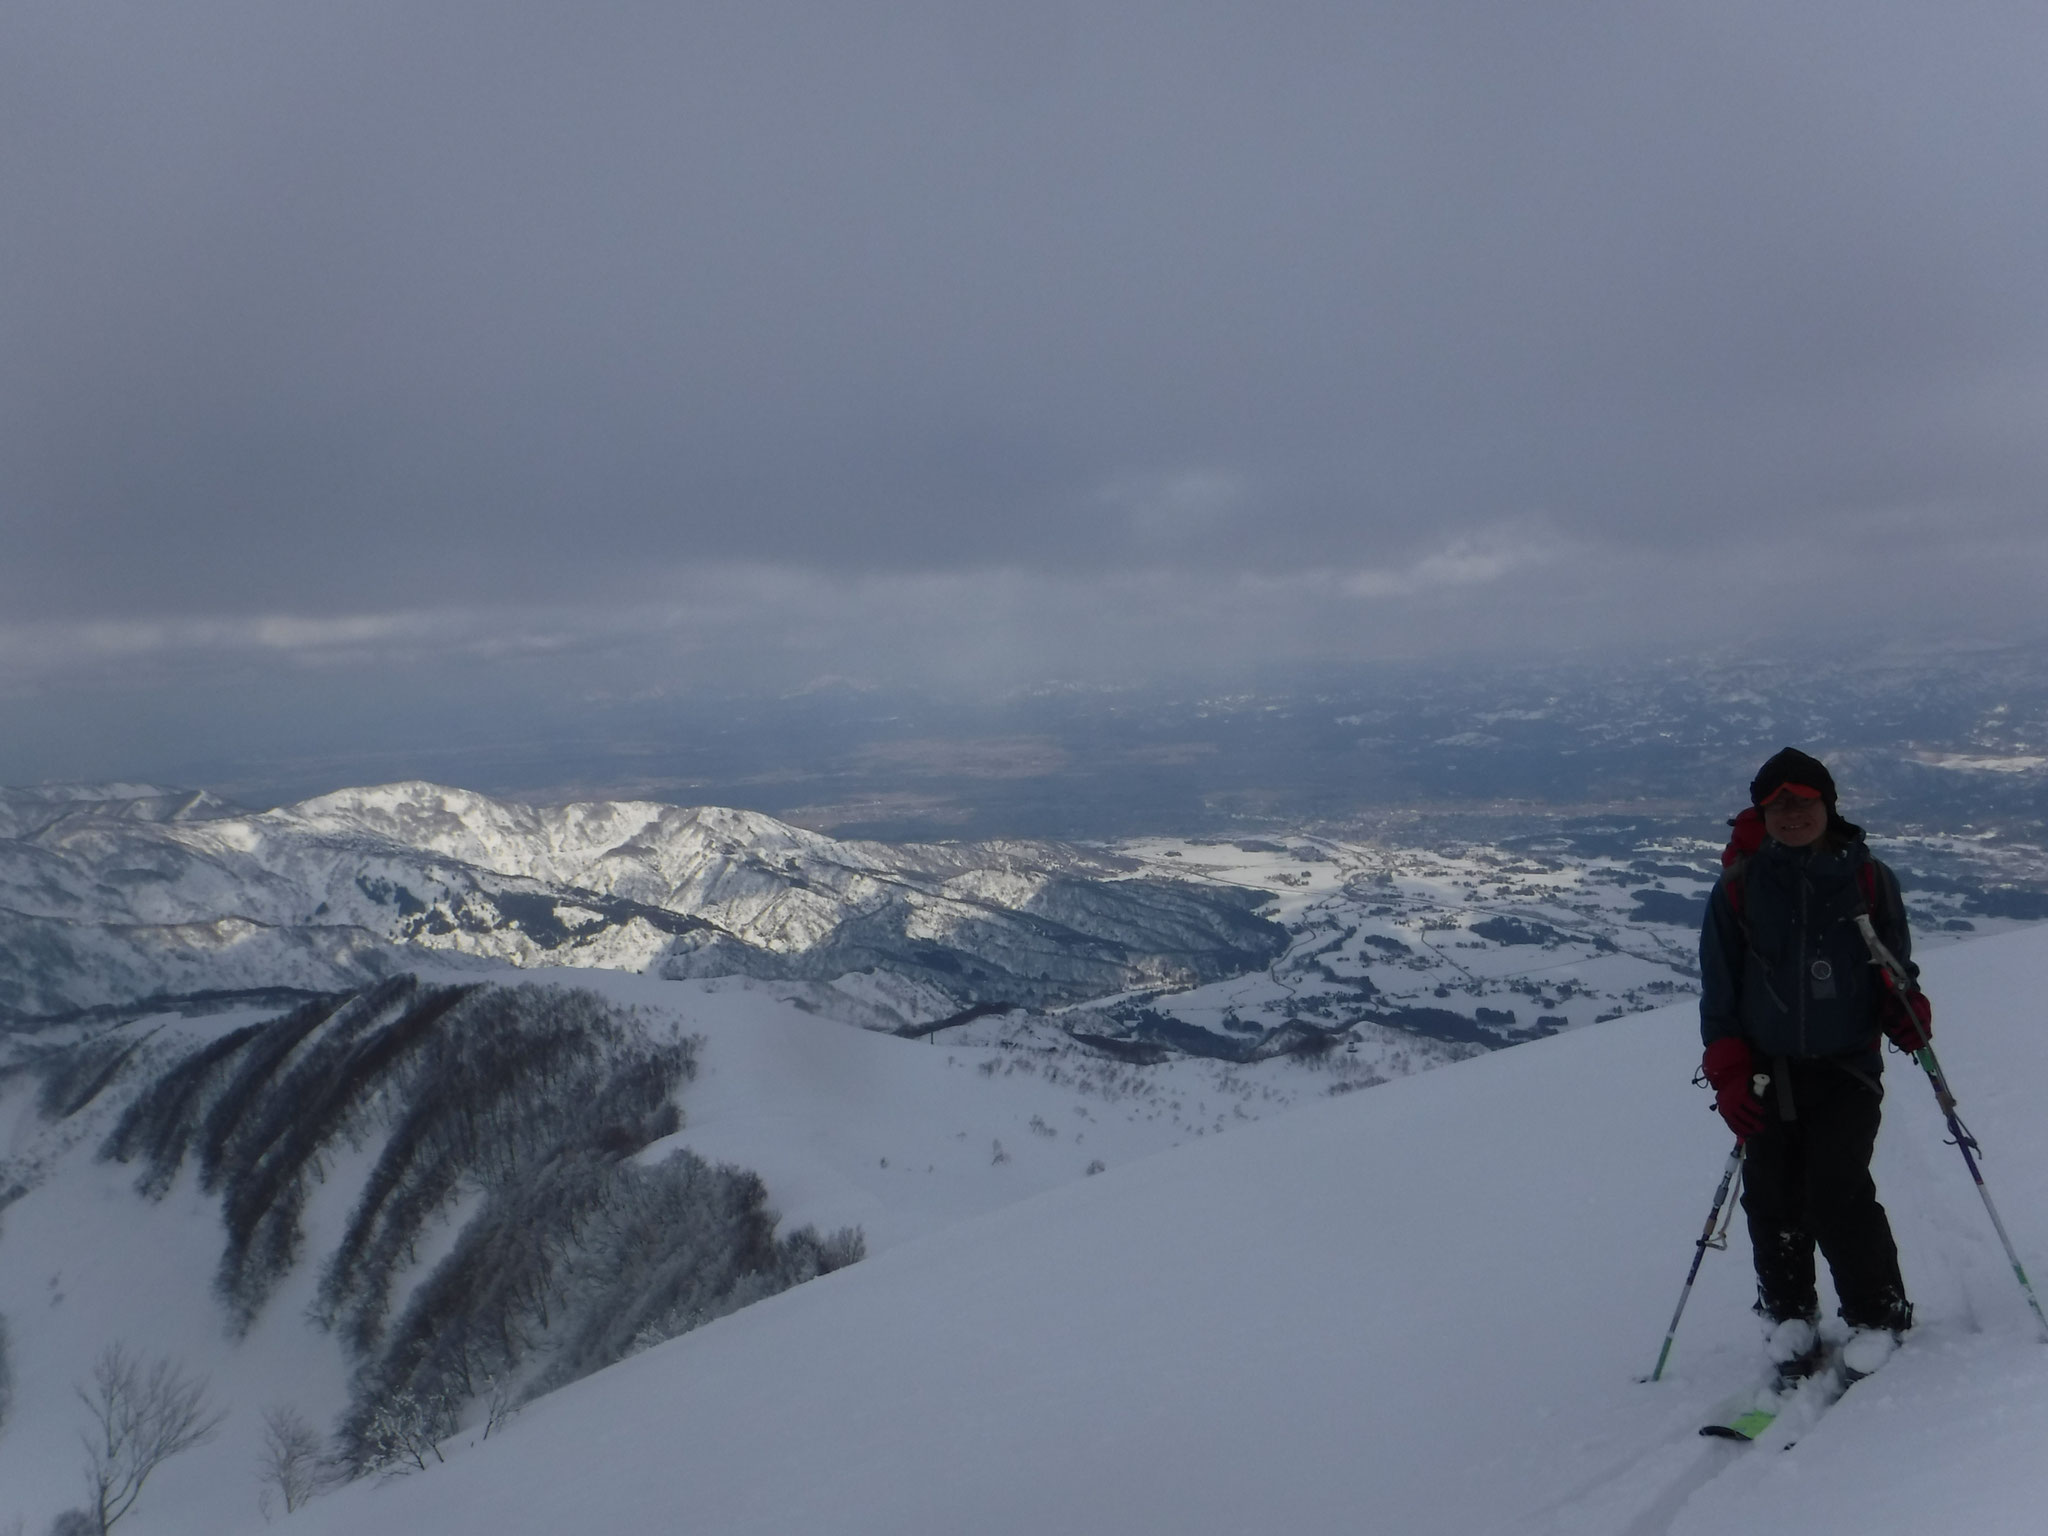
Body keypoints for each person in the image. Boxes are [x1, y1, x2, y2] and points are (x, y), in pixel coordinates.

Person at [1697, 747, 1928, 1381]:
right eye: (1779, 806)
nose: (1793, 815)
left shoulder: (1871, 880)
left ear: (1829, 806)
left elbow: (1893, 965)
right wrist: (1728, 1071)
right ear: (1761, 813)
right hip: (1766, 1067)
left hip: (1847, 1065)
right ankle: (1790, 1312)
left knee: (1838, 1189)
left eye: (1805, 802)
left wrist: (1905, 1008)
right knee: (1771, 1193)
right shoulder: (1739, 888)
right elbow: (1720, 988)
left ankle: (1877, 1313)